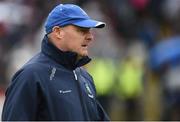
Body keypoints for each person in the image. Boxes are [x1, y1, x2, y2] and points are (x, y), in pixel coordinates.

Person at [2, 4, 109, 121]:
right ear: (58, 32)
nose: (90, 37)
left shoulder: (84, 77)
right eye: (82, 30)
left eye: (89, 31)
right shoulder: (31, 76)